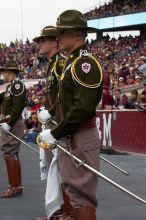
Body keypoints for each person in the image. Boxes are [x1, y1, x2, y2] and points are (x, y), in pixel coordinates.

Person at [39, 9, 103, 219]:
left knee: (82, 196)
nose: (59, 38)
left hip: (80, 135)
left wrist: (56, 132)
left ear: (78, 34)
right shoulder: (71, 61)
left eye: (63, 33)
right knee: (75, 193)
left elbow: (83, 108)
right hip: (73, 134)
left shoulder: (85, 64)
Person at [33, 26, 72, 220]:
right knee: (54, 167)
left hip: (60, 123)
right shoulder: (51, 64)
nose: (39, 44)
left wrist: (53, 113)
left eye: (43, 40)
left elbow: (65, 97)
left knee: (62, 167)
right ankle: (58, 211)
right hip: (53, 120)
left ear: (54, 42)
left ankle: (67, 212)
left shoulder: (60, 63)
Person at [0, 60, 26, 198]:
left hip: (13, 123)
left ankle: (14, 186)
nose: (2, 74)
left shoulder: (17, 84)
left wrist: (9, 123)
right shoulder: (11, 86)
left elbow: (17, 106)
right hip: (12, 122)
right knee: (12, 153)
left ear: (9, 72)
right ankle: (16, 186)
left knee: (9, 153)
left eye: (4, 72)